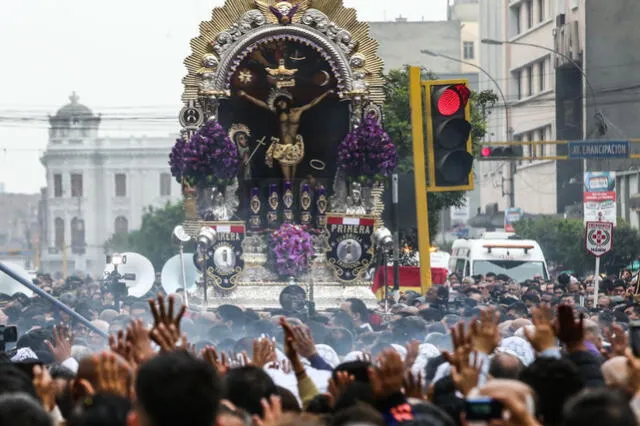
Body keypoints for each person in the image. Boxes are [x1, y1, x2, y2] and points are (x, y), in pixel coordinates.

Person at [239, 88, 334, 180]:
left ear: (287, 101)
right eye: (278, 102)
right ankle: (286, 194)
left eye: (282, 101)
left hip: (295, 147)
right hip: (283, 148)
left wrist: (325, 93)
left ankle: (292, 194)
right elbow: (262, 104)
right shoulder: (277, 112)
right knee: (287, 179)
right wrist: (246, 95)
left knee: (293, 178)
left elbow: (312, 103)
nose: (280, 104)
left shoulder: (298, 111)